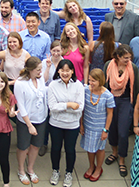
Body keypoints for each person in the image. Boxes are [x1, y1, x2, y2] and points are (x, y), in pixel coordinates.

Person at [103, 44, 139, 177]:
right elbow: (104, 84)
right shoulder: (108, 65)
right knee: (111, 129)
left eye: (130, 58)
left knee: (123, 132)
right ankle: (114, 152)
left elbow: (136, 87)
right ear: (118, 56)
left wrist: (135, 107)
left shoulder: (133, 68)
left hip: (125, 102)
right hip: (111, 100)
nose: (128, 60)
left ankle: (122, 159)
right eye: (125, 58)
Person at [48, 59, 84, 187]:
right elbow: (52, 107)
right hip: (56, 124)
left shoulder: (79, 85)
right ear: (58, 71)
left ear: (72, 71)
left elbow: (79, 108)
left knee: (70, 150)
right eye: (62, 70)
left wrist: (62, 106)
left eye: (67, 70)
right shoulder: (52, 85)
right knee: (56, 149)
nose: (65, 73)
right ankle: (55, 170)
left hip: (72, 125)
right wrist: (69, 105)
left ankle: (69, 172)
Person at [15, 56, 49, 185]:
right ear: (30, 70)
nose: (40, 72)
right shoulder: (20, 83)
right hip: (25, 121)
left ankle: (30, 168)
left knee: (35, 146)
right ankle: (21, 170)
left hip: (40, 118)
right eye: (38, 70)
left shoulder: (40, 80)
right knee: (23, 147)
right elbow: (21, 105)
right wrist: (29, 125)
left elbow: (44, 92)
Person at [80, 68, 115, 182]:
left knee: (100, 149)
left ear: (101, 80)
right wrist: (81, 124)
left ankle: (98, 168)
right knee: (90, 149)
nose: (91, 83)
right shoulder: (85, 90)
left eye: (94, 80)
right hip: (88, 125)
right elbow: (82, 109)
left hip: (100, 128)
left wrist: (106, 130)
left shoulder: (108, 95)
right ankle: (91, 166)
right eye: (90, 80)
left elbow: (110, 114)